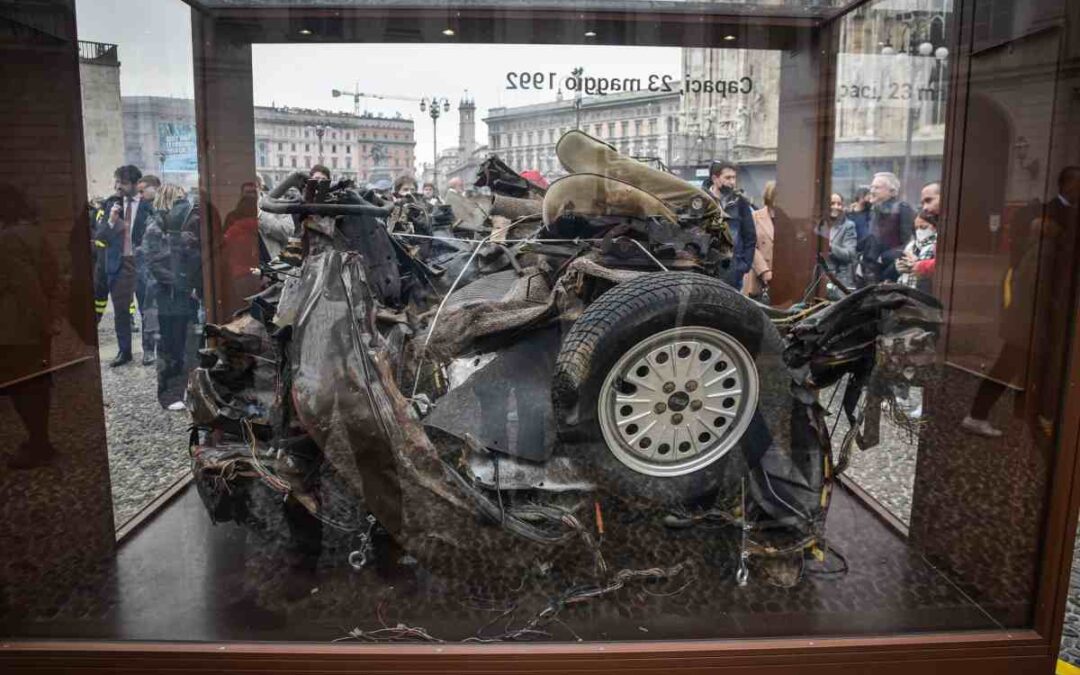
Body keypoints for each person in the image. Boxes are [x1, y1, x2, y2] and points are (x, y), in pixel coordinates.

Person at [963, 166, 1080, 438]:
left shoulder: (1043, 236)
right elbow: (1034, 284)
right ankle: (980, 414)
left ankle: (1024, 415)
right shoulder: (1045, 240)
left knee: (1026, 367)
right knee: (1009, 365)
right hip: (1030, 318)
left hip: (1029, 317)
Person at [0, 184, 58, 468]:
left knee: (25, 389)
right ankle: (39, 440)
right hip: (31, 324)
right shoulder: (33, 234)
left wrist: (43, 323)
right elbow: (50, 277)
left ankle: (39, 443)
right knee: (35, 386)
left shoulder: (9, 239)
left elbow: (27, 287)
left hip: (17, 328)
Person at [140, 183, 201, 410]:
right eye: (179, 200)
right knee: (168, 347)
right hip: (165, 298)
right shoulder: (156, 227)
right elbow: (154, 262)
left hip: (177, 296)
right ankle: (169, 396)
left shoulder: (165, 226)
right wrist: (182, 281)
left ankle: (181, 392)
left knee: (185, 347)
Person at [94, 164, 152, 367]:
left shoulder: (148, 206)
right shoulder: (110, 205)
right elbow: (100, 237)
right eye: (117, 182)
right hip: (118, 265)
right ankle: (124, 351)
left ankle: (148, 351)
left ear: (136, 184)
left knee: (146, 309)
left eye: (124, 183)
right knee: (121, 312)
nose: (119, 187)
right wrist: (111, 221)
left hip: (141, 265)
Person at [707, 160, 756, 290]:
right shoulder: (703, 200)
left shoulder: (740, 202)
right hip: (707, 269)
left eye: (734, 177)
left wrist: (744, 265)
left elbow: (750, 236)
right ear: (714, 178)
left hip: (733, 271)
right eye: (728, 177)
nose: (732, 182)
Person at [859, 171, 915, 284]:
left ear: (892, 191)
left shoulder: (902, 209)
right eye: (872, 187)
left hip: (889, 272)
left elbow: (908, 243)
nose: (872, 190)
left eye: (877, 187)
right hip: (869, 272)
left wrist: (883, 258)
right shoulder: (874, 210)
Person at [818, 191, 859, 299]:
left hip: (839, 280)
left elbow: (849, 255)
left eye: (839, 204)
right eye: (832, 203)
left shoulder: (848, 226)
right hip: (818, 280)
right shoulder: (819, 224)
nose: (836, 207)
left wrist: (829, 246)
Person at [744, 180, 776, 301]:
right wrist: (764, 271)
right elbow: (751, 246)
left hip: (782, 278)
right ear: (770, 195)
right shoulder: (754, 217)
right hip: (757, 276)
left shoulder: (789, 220)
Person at [255, 173, 296, 262]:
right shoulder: (236, 211)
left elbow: (288, 233)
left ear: (259, 186)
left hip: (273, 264)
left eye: (253, 186)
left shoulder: (277, 205)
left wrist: (260, 215)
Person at [896, 209, 938, 294]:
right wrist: (900, 266)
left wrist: (916, 264)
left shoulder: (937, 244)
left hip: (923, 292)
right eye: (916, 228)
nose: (919, 231)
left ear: (935, 226)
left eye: (923, 227)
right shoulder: (912, 244)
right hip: (905, 288)